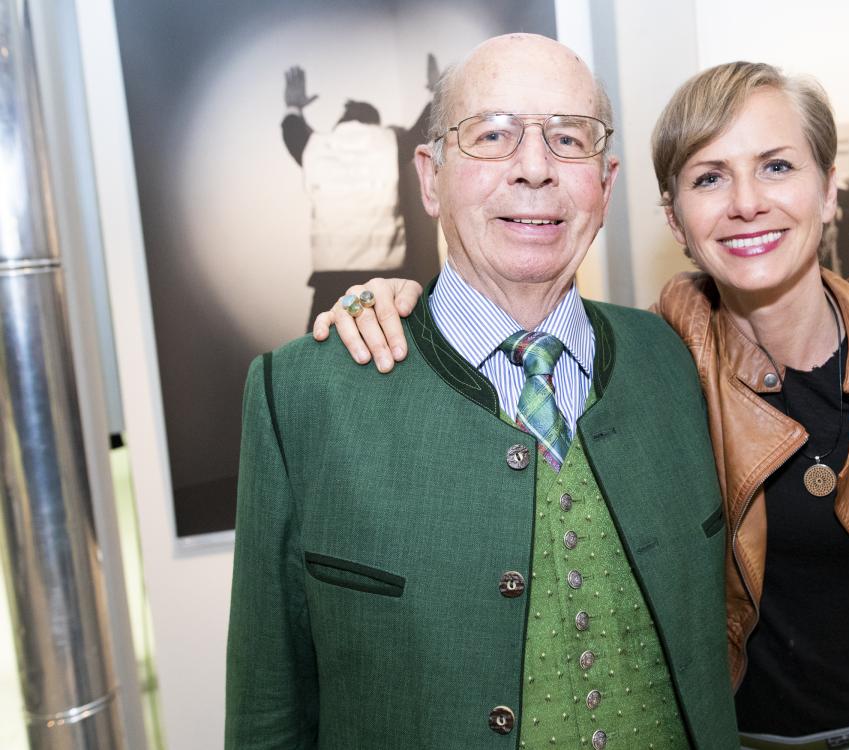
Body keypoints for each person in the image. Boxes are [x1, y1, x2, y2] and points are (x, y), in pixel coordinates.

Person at [316, 61, 849, 749]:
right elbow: (516, 327)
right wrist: (395, 298)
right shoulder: (662, 353)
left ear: (828, 188)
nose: (746, 204)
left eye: (777, 166)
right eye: (709, 178)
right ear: (675, 218)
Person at [228, 36, 740, 748]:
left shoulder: (673, 357)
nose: (534, 167)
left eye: (569, 139)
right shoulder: (303, 396)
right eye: (493, 135)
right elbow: (267, 712)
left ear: (606, 183)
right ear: (430, 177)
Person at [282, 64, 440, 329]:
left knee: (321, 344)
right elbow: (422, 129)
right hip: (383, 280)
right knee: (387, 344)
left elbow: (292, 133)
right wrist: (434, 92)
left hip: (328, 280)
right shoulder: (389, 142)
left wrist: (293, 106)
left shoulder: (315, 147)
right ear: (375, 122)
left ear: (339, 122)